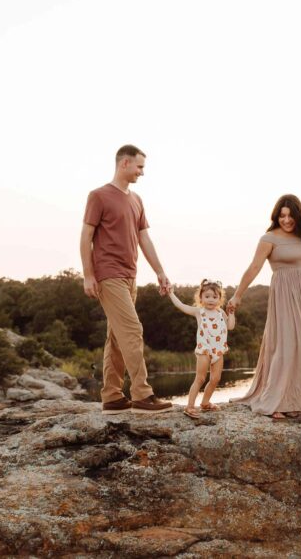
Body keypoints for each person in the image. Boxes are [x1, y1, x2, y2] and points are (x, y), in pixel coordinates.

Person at [80, 144, 173, 414]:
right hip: (108, 275)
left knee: (117, 338)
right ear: (124, 164)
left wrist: (160, 271)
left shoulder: (136, 200)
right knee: (132, 331)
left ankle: (111, 396)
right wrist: (88, 275)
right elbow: (85, 237)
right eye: (139, 167)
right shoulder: (98, 196)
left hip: (130, 276)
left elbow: (144, 238)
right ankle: (143, 394)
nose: (142, 172)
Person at [227, 194, 301, 419]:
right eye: (281, 216)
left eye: (290, 215)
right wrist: (238, 295)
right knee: (287, 345)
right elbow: (254, 267)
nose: (286, 220)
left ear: (299, 216)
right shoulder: (269, 238)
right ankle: (276, 401)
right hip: (284, 295)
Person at [168, 279, 234, 419]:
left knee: (216, 378)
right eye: (207, 296)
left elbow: (230, 326)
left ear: (220, 299)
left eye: (215, 297)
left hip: (218, 351)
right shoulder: (199, 312)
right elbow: (180, 305)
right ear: (201, 298)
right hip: (204, 350)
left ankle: (205, 402)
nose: (211, 300)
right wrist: (171, 293)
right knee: (200, 378)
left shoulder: (221, 312)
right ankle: (190, 406)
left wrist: (232, 313)